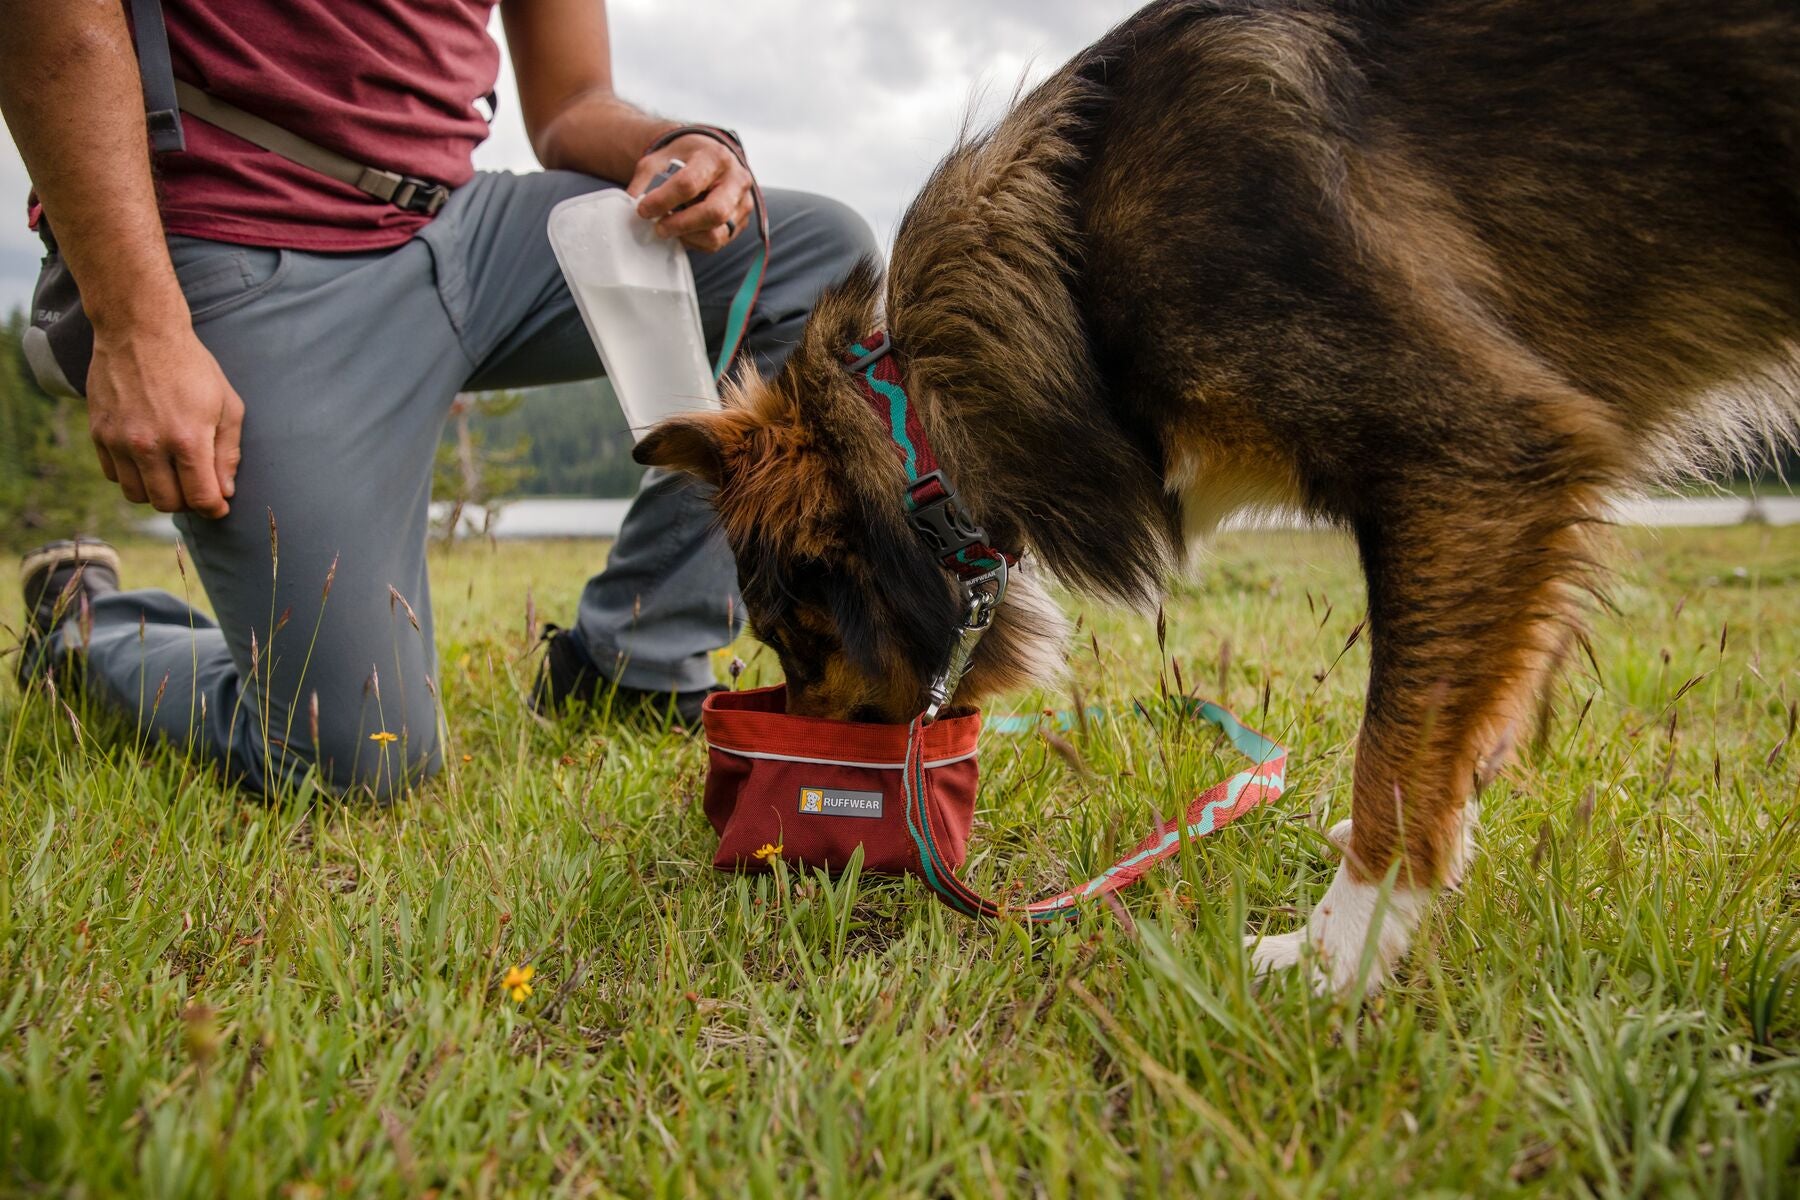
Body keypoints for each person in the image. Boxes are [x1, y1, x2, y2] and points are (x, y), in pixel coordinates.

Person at [0, 0, 876, 797]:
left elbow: (573, 105)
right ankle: (88, 627)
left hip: (463, 234)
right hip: (243, 237)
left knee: (817, 255)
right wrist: (134, 322)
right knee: (359, 756)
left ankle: (634, 664)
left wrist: (684, 145)